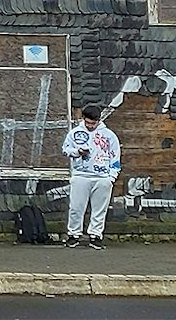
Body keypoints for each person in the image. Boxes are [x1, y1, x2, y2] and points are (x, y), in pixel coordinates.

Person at [61, 104, 121, 249]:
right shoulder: (75, 133)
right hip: (81, 175)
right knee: (76, 207)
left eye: (93, 123)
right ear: (83, 119)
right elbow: (65, 149)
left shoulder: (109, 135)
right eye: (87, 123)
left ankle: (95, 235)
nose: (90, 126)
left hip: (102, 177)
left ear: (98, 121)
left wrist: (111, 177)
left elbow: (115, 156)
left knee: (100, 208)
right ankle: (74, 234)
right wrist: (77, 152)